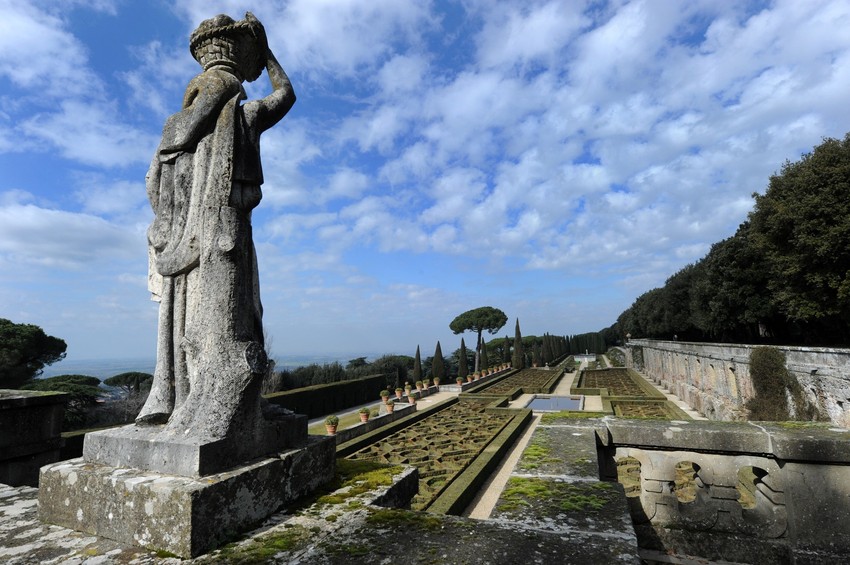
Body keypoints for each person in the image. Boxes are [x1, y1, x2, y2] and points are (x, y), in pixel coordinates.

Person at [137, 13, 295, 441]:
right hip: (226, 234)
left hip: (182, 241)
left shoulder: (171, 134)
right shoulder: (244, 117)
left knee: (200, 319)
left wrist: (175, 225)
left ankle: (190, 397)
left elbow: (152, 185)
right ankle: (216, 403)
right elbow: (285, 94)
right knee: (240, 314)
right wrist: (267, 53)